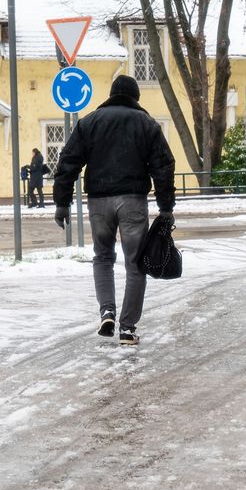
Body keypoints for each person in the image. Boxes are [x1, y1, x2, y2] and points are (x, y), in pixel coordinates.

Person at [53, 75, 176, 346]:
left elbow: (68, 162)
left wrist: (62, 202)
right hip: (133, 200)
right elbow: (163, 165)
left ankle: (106, 312)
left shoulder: (89, 123)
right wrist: (166, 207)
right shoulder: (146, 123)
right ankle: (127, 329)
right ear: (135, 97)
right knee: (135, 263)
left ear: (110, 95)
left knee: (103, 257)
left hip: (99, 200)